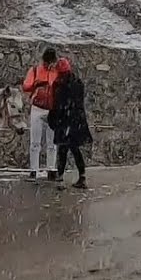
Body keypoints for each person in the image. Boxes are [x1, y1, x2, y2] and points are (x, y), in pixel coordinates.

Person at [47, 57, 91, 189]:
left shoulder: (58, 84)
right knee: (75, 149)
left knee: (63, 149)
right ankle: (82, 177)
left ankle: (60, 178)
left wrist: (53, 119)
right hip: (76, 120)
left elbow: (56, 105)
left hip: (64, 121)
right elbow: (78, 104)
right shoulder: (78, 82)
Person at [21, 48, 61, 180]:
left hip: (52, 109)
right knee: (35, 141)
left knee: (52, 142)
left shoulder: (57, 71)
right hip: (37, 107)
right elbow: (26, 86)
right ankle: (34, 170)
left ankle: (51, 169)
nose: (50, 64)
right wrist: (36, 84)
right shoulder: (35, 70)